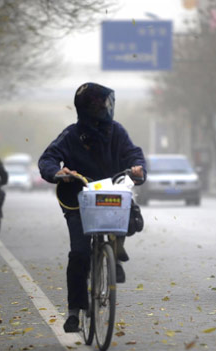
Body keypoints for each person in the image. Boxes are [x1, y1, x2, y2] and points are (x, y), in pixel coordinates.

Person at [38, 82, 146, 333]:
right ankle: (74, 311)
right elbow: (48, 158)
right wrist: (57, 172)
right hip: (77, 200)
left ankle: (115, 249)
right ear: (87, 108)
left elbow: (134, 155)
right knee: (79, 254)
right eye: (100, 105)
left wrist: (139, 168)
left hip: (109, 195)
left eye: (108, 104)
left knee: (130, 215)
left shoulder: (117, 132)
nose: (106, 109)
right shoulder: (71, 135)